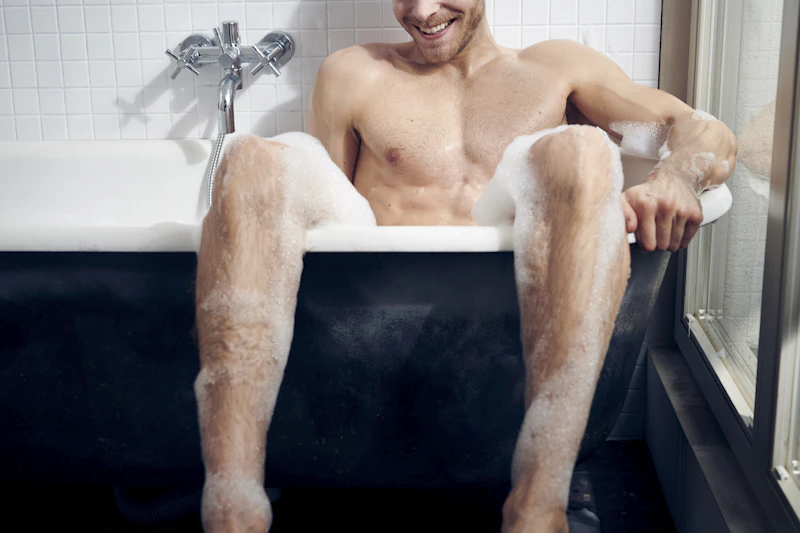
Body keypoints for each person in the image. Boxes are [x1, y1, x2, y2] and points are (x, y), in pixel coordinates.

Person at [193, 1, 737, 532]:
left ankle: (538, 506)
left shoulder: (557, 70)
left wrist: (676, 178)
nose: (424, 11)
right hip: (371, 335)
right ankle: (232, 509)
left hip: (510, 338)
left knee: (582, 151)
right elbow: (320, 229)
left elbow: (702, 131)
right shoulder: (354, 73)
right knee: (249, 160)